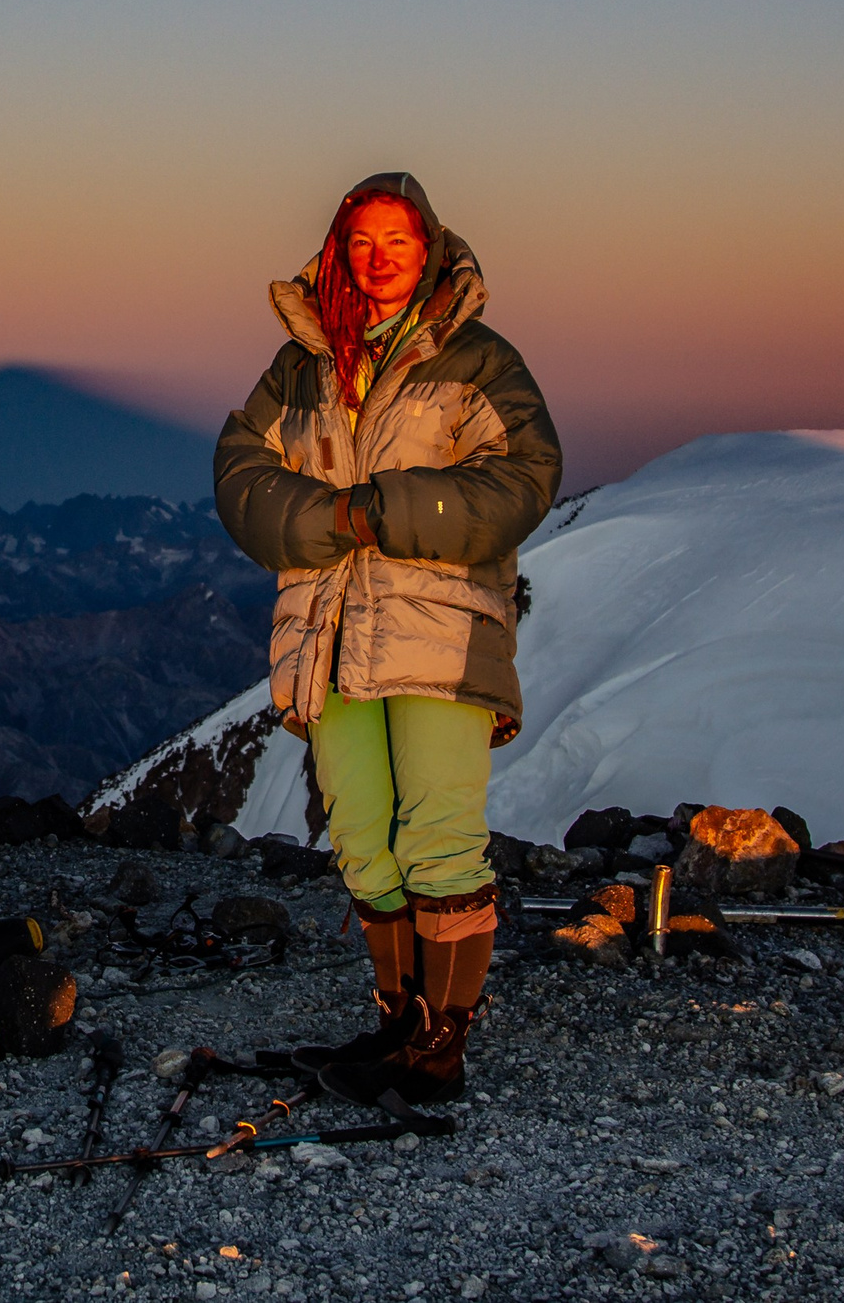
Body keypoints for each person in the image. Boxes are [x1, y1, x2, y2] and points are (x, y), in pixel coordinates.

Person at [214, 172, 560, 1104]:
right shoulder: (302, 365)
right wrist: (332, 521)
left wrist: (377, 511)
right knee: (363, 835)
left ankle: (439, 1051)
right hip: (328, 633)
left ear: (430, 248)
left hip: (439, 632)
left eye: (396, 241)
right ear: (338, 251)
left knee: (439, 836)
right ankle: (397, 1026)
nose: (378, 258)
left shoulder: (477, 359)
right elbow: (240, 470)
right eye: (361, 241)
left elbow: (524, 474)